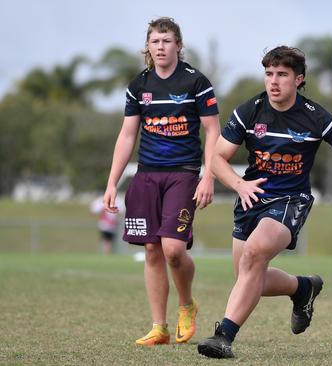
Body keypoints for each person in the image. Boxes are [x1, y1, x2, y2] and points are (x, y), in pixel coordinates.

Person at [197, 45, 332, 359]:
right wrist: (239, 185)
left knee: (253, 255)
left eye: (282, 75)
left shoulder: (316, 117)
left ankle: (223, 336)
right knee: (249, 279)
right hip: (251, 197)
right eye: (269, 74)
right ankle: (302, 288)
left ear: (298, 79)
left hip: (291, 200)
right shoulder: (249, 111)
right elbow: (217, 158)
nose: (274, 81)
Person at [102, 17, 220, 346]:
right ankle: (159, 327)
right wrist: (112, 182)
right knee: (152, 250)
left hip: (183, 174)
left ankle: (186, 305)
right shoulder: (139, 85)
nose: (161, 47)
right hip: (146, 176)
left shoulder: (196, 82)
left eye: (167, 41)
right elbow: (127, 135)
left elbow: (213, 131)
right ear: (148, 47)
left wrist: (208, 175)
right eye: (155, 41)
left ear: (179, 46)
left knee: (173, 250)